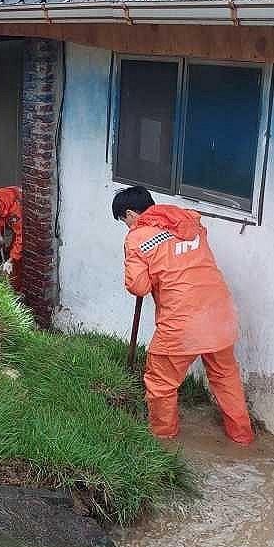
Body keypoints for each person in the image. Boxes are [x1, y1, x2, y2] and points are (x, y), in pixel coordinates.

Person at [112, 185, 254, 445]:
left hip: (181, 321)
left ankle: (163, 442)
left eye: (124, 220)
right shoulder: (189, 220)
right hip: (219, 312)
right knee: (225, 377)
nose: (126, 225)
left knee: (161, 382)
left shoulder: (137, 237)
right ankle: (242, 436)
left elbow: (138, 287)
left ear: (131, 214)